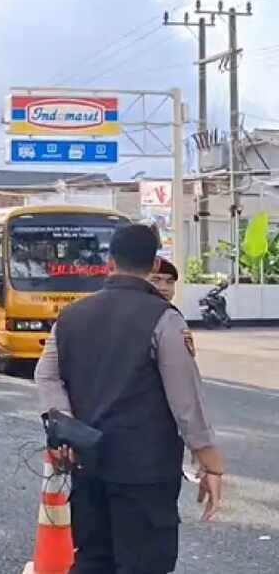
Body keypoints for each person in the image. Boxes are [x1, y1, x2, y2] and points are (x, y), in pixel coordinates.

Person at [35, 225, 225, 574]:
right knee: (144, 564)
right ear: (153, 265)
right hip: (145, 471)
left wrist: (67, 429)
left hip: (88, 462)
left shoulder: (71, 316)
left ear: (110, 262)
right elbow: (185, 400)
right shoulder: (164, 318)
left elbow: (46, 375)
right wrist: (209, 461)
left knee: (93, 561)